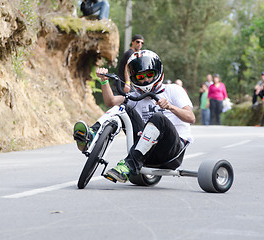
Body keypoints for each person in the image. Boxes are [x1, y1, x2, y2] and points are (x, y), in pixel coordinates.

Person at [73, 50, 195, 183]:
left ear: (158, 72)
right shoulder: (135, 96)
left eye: (149, 74)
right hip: (146, 152)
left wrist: (171, 107)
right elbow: (111, 102)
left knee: (158, 118)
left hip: (171, 152)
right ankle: (92, 134)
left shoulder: (173, 90)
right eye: (140, 77)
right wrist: (104, 81)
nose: (146, 79)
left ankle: (129, 165)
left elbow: (191, 118)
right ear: (134, 78)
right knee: (123, 107)